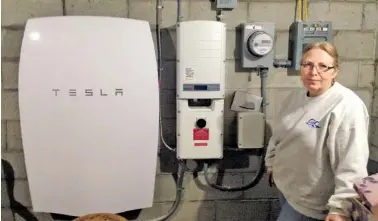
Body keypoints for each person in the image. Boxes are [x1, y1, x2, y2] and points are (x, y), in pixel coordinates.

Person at [265, 41, 370, 221]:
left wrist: (340, 207)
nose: (314, 72)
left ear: (335, 71)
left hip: (313, 203)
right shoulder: (296, 97)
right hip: (287, 189)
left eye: (323, 66)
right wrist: (271, 163)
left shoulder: (346, 106)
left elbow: (352, 162)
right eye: (308, 65)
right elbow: (278, 135)